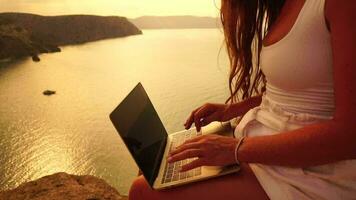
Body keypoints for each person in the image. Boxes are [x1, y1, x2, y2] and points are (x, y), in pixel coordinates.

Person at [129, 0, 356, 199]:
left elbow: (350, 136)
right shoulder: (283, 6)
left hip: (310, 174)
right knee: (155, 170)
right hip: (262, 148)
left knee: (142, 190)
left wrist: (235, 149)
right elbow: (288, 97)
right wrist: (233, 109)